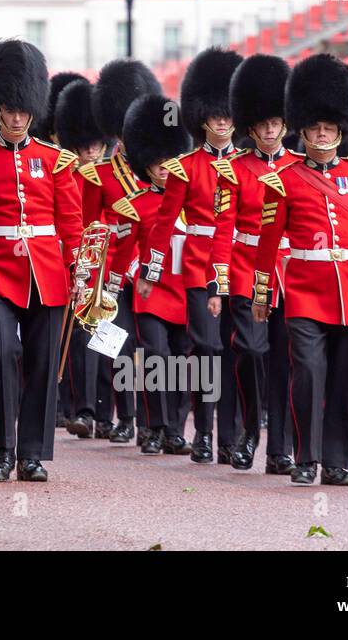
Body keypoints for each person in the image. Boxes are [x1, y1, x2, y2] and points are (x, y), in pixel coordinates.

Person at [253, 53, 348, 486]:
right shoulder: (285, 179)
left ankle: (337, 462)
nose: (321, 134)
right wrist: (262, 293)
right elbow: (268, 239)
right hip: (304, 290)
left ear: (340, 129)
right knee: (309, 375)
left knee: (346, 381)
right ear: (304, 127)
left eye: (328, 128)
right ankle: (305, 457)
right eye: (314, 127)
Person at [0, 39, 82, 482]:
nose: (15, 117)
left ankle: (31, 454)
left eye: (22, 109)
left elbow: (72, 225)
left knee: (43, 361)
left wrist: (80, 269)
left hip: (46, 271)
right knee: (0, 351)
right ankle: (3, 448)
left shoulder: (56, 161)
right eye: (8, 109)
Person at [137, 47, 243, 465]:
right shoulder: (185, 167)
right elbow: (164, 223)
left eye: (227, 114)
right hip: (199, 266)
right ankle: (204, 432)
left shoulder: (251, 165)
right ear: (202, 118)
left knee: (240, 353)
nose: (221, 122)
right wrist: (151, 268)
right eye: (215, 116)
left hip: (242, 265)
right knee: (207, 349)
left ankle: (234, 434)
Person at [208, 54, 295, 473]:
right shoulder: (232, 170)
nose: (269, 129)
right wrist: (218, 281)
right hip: (246, 270)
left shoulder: (300, 168)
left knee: (285, 359)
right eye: (262, 123)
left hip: (291, 273)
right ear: (252, 126)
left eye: (275, 122)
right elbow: (223, 227)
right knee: (251, 351)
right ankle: (248, 432)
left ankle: (280, 449)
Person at [87, 59, 162, 443]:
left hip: (149, 268)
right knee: (113, 342)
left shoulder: (159, 171)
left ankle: (150, 421)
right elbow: (91, 223)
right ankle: (117, 414)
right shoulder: (99, 174)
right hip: (111, 270)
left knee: (150, 346)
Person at [113, 92, 191, 455]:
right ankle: (154, 425)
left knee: (183, 361)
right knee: (154, 356)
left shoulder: (194, 204)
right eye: (157, 161)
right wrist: (130, 278)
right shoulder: (135, 205)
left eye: (169, 160)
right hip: (151, 292)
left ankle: (175, 426)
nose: (164, 167)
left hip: (185, 290)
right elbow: (126, 252)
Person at [51, 76, 110, 442]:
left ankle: (95, 410)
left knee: (100, 336)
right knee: (63, 337)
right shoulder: (66, 175)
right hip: (66, 261)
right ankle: (65, 404)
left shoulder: (115, 174)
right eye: (84, 146)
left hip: (104, 266)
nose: (90, 152)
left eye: (96, 145)